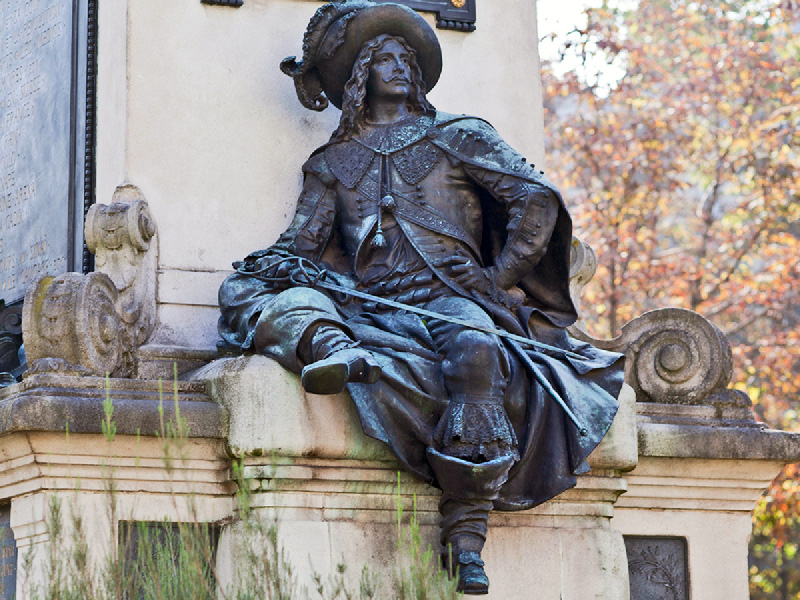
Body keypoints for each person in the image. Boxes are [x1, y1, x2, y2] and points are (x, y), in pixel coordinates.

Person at [218, 1, 624, 594]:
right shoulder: (331, 163)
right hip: (369, 303)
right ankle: (334, 350)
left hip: (450, 298)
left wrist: (499, 277)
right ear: (360, 74)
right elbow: (301, 245)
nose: (400, 67)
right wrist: (273, 266)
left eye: (407, 58)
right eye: (385, 58)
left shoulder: (458, 135)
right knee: (247, 290)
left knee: (476, 348)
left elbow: (535, 199)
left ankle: (467, 531)